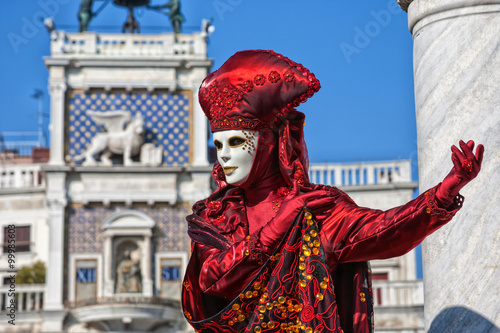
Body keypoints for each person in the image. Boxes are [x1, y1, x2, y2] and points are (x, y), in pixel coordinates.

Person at [181, 50, 484, 333]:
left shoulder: (317, 208)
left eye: (235, 143)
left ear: (270, 143)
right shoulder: (217, 217)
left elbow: (386, 232)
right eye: (219, 145)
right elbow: (212, 280)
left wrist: (446, 190)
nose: (224, 156)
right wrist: (277, 227)